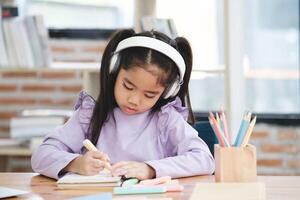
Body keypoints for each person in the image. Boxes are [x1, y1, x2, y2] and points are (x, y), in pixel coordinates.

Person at [31, 29, 215, 180]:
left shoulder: (166, 120)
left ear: (168, 92)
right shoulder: (90, 116)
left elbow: (204, 159)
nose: (134, 100)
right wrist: (76, 163)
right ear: (114, 70)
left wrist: (150, 169)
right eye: (128, 86)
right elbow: (41, 156)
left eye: (150, 94)